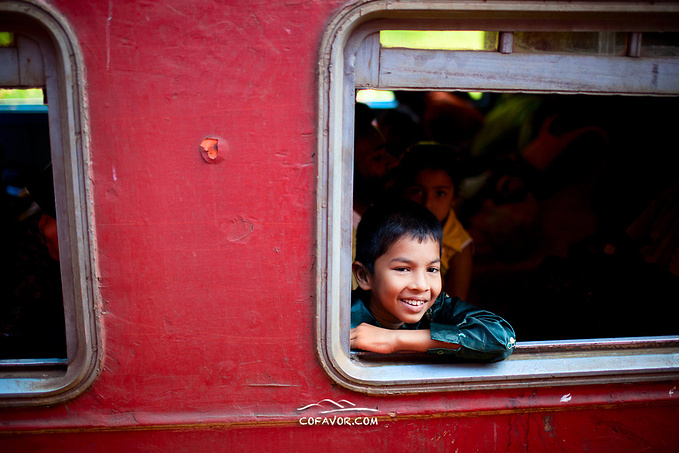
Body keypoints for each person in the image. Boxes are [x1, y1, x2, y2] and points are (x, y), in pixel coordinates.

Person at [350, 200, 515, 361]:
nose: (421, 286)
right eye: (403, 269)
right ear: (364, 276)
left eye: (432, 269)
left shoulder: (437, 310)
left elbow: (502, 339)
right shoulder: (340, 318)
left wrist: (395, 339)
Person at [395, 143, 474, 300]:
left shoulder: (459, 246)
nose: (427, 203)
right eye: (417, 191)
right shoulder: (388, 225)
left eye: (440, 193)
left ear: (454, 198)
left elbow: (453, 310)